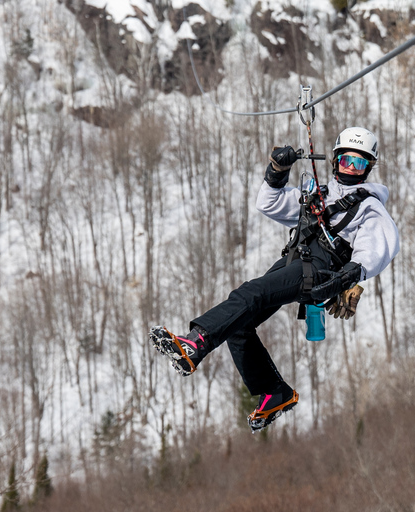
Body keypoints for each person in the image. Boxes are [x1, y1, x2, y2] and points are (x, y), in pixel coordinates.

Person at [150, 127, 400, 433]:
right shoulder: (318, 193)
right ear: (334, 160)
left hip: (319, 270)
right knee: (240, 319)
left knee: (249, 294)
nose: (350, 168)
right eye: (346, 160)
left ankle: (196, 343)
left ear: (369, 168)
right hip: (295, 260)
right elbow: (268, 203)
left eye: (359, 164)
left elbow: (377, 248)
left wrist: (346, 279)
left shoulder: (369, 206)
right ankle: (274, 392)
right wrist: (277, 171)